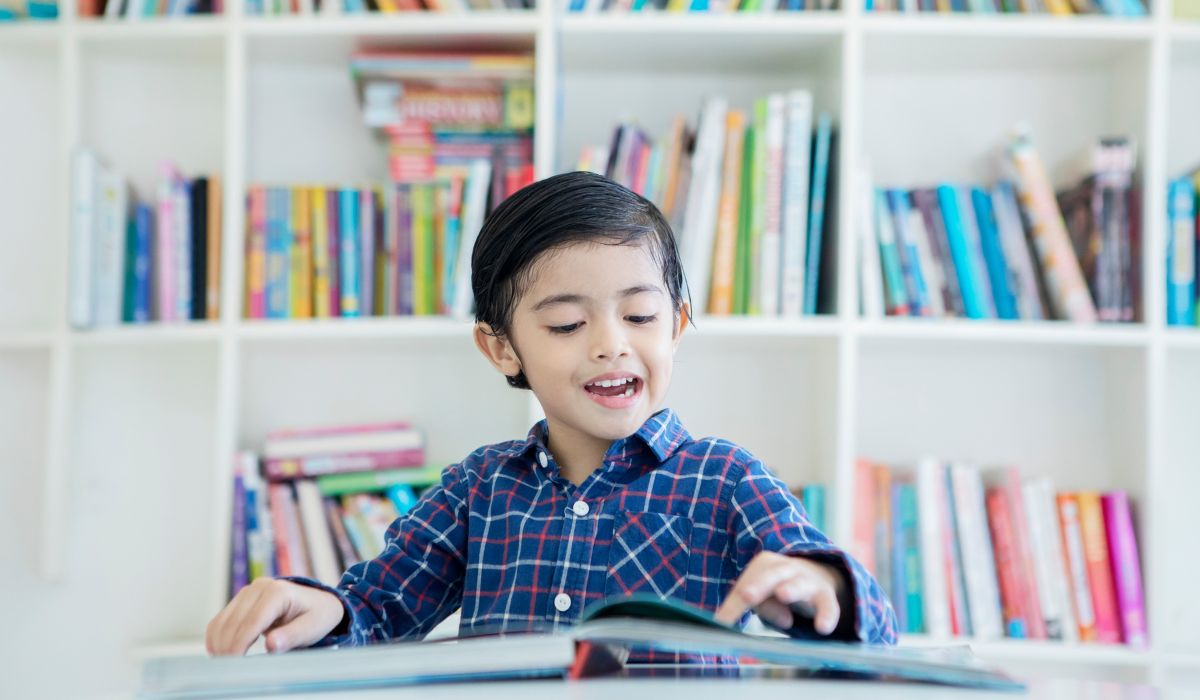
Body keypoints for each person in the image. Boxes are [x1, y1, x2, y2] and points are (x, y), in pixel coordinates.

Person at [205, 171, 897, 656]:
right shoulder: (478, 490)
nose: (610, 344)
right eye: (567, 324)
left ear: (677, 325)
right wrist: (317, 608)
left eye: (640, 314)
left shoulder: (727, 480)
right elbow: (379, 609)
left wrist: (823, 585)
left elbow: (872, 627)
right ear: (502, 348)